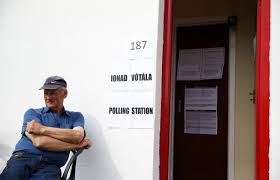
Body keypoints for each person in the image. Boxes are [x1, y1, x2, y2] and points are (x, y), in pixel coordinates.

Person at [0, 76, 91, 180]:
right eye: (45, 93)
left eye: (52, 93)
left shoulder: (76, 116)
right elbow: (40, 142)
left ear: (65, 94)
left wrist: (42, 129)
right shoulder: (32, 113)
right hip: (23, 159)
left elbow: (77, 135)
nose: (48, 97)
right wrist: (75, 145)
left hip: (50, 166)